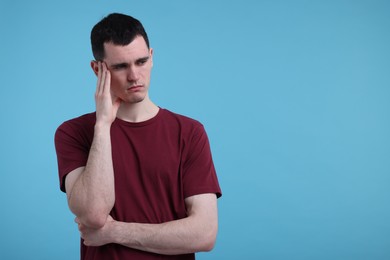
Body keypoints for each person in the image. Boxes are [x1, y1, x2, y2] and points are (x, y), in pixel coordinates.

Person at [54, 13, 222, 260]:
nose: (134, 76)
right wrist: (102, 125)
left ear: (152, 57)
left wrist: (114, 232)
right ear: (97, 69)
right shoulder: (73, 132)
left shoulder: (189, 132)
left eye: (141, 62)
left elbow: (204, 234)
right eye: (121, 66)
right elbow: (93, 214)